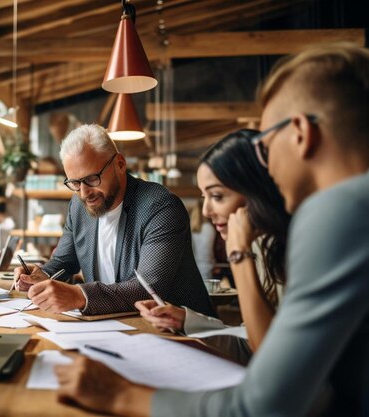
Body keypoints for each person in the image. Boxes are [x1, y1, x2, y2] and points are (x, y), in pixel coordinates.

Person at [54, 43, 369, 416]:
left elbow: (262, 407)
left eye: (265, 145)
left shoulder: (340, 211)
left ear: (300, 132)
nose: (263, 166)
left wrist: (120, 395)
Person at [14, 124, 214, 317]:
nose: (84, 193)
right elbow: (64, 261)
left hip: (181, 333)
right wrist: (41, 275)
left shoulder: (161, 207)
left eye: (92, 179)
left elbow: (148, 288)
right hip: (115, 327)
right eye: (74, 182)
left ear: (120, 164)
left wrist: (79, 295)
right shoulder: (78, 207)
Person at [137, 129, 290, 353]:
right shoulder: (259, 246)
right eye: (203, 197)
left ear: (258, 192)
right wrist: (186, 322)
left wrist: (239, 255)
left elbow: (270, 355)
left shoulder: (293, 252)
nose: (207, 211)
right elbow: (249, 340)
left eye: (217, 196)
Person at [187, 202, 216, 282]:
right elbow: (209, 253)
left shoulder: (190, 229)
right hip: (207, 267)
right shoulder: (209, 228)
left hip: (192, 269)